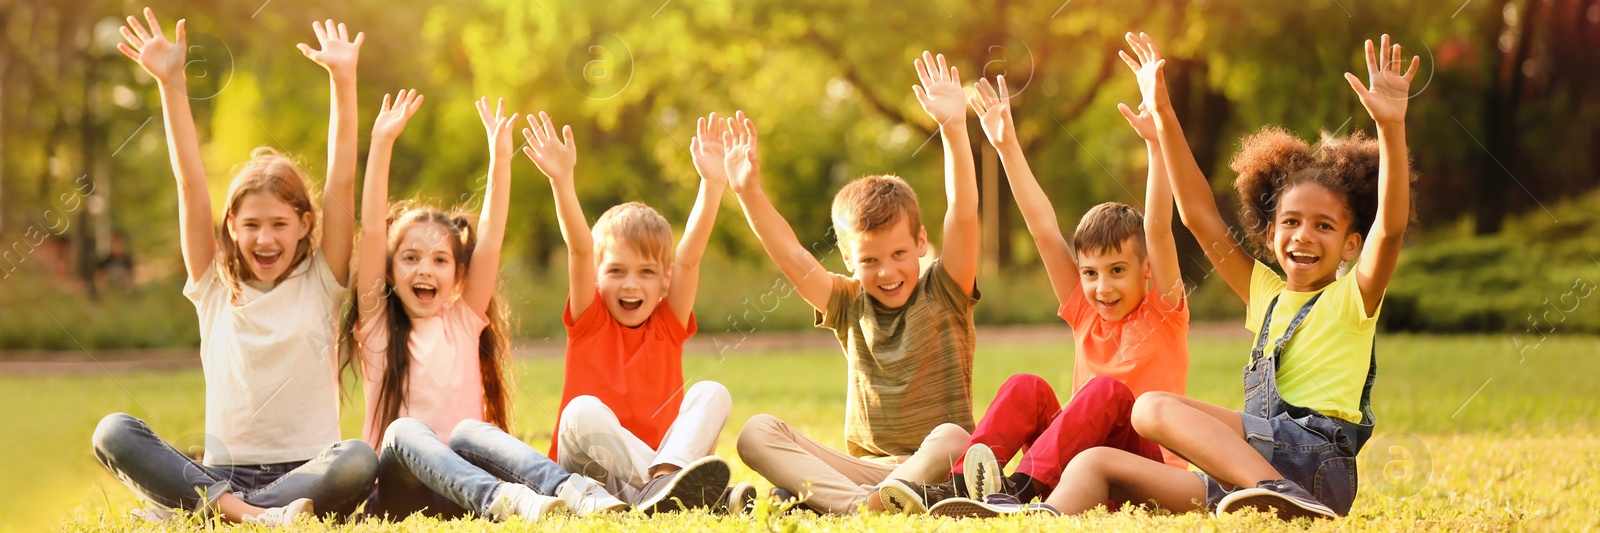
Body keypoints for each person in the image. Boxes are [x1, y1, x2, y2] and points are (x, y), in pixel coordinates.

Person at [92, 12, 376, 526]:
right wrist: (171, 84)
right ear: (230, 225)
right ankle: (244, 510)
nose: (264, 239)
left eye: (278, 224)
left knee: (358, 459)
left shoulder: (321, 280)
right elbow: (190, 184)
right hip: (223, 470)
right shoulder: (212, 284)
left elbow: (341, 179)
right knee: (113, 432)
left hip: (308, 469)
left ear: (304, 224)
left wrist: (343, 80)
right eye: (251, 225)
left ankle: (219, 513)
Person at [731, 50, 981, 515]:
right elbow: (790, 256)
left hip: (937, 469)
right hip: (864, 471)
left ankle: (839, 502)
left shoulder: (945, 289)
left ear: (922, 242)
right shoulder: (847, 302)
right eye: (869, 260)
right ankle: (861, 505)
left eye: (899, 254)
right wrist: (748, 191)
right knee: (756, 432)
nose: (887, 272)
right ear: (847, 257)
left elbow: (963, 213)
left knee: (954, 437)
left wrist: (953, 128)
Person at [534, 110, 735, 513]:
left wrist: (712, 185)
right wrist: (561, 181)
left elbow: (690, 259)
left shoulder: (667, 323)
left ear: (665, 279)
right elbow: (578, 247)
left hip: (654, 471)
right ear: (596, 276)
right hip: (589, 479)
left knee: (713, 393)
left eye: (646, 272)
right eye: (616, 271)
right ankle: (684, 492)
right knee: (581, 410)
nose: (631, 284)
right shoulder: (590, 317)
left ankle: (666, 485)